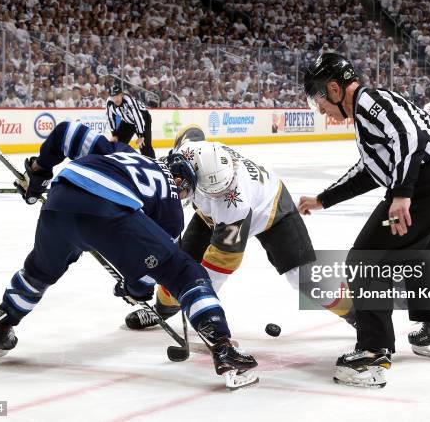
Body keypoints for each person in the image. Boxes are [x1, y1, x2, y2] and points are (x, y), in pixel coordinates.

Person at [0, 121, 258, 390]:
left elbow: (65, 133)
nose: (184, 195)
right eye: (188, 187)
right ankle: (223, 347)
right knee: (186, 273)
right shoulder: (172, 213)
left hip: (60, 201)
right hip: (110, 210)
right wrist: (133, 289)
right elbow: (147, 272)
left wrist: (39, 172)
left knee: (39, 271)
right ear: (182, 176)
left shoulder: (121, 151)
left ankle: (0, 325)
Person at [298, 53, 430, 388]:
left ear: (335, 89)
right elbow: (369, 171)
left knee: (364, 260)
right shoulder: (370, 114)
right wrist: (323, 199)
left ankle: (372, 354)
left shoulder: (370, 100)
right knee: (419, 249)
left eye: (321, 102)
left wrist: (402, 193)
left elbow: (408, 137)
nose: (322, 112)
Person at [125, 126, 356, 331]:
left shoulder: (233, 204)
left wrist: (200, 304)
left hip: (272, 211)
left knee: (304, 277)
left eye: (220, 192)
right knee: (178, 265)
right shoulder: (191, 151)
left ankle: (359, 316)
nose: (217, 196)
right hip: (211, 217)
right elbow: (192, 130)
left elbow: (220, 266)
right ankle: (161, 310)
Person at [106, 83, 155, 158]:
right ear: (110, 97)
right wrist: (114, 134)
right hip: (127, 121)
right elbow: (110, 118)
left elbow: (137, 117)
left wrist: (141, 135)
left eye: (118, 96)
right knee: (118, 144)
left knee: (144, 145)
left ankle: (152, 165)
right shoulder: (109, 103)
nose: (116, 99)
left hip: (143, 119)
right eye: (113, 97)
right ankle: (118, 163)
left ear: (122, 95)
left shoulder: (128, 100)